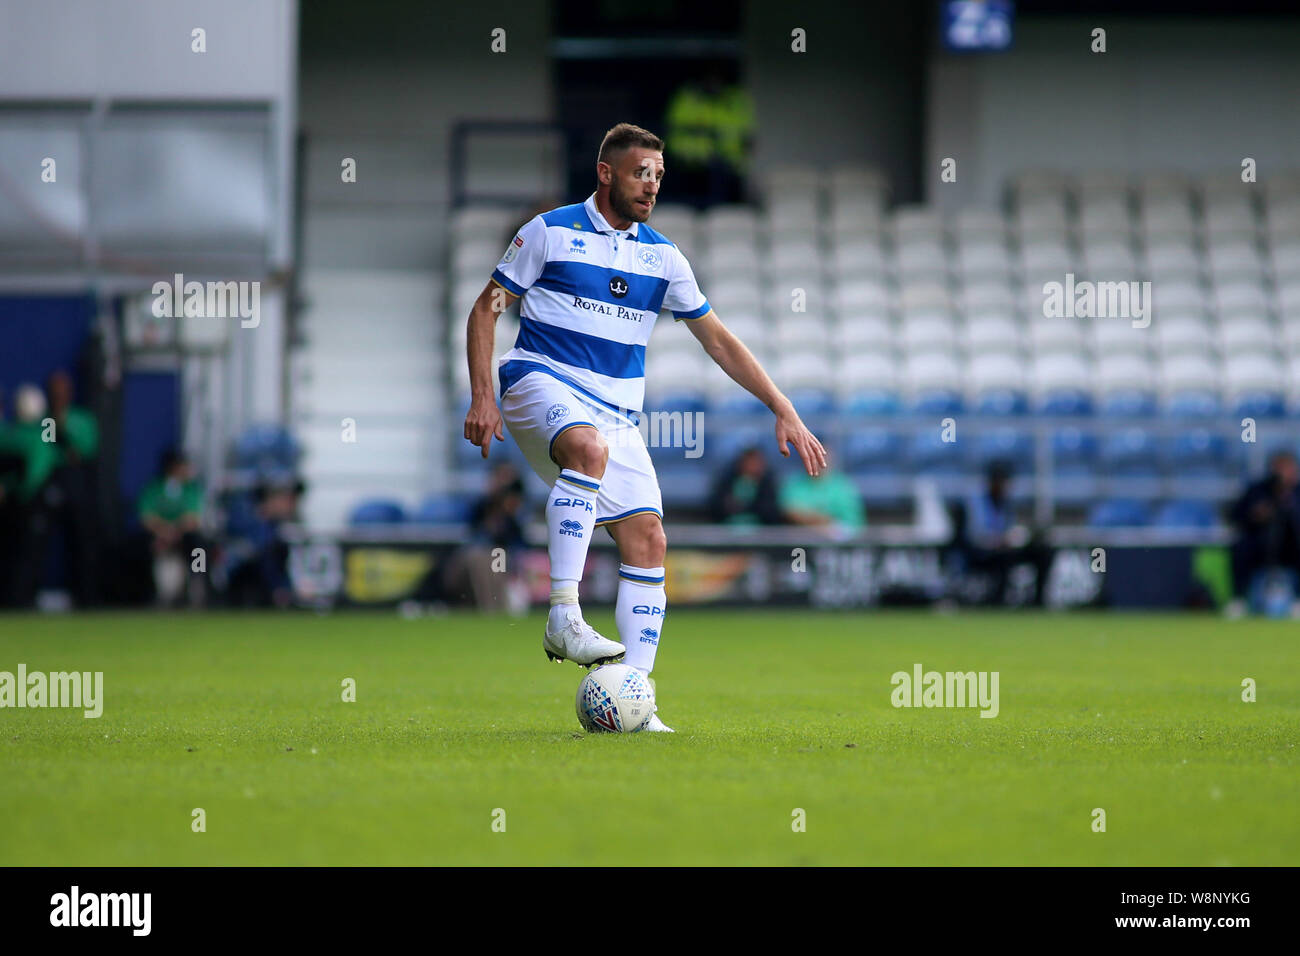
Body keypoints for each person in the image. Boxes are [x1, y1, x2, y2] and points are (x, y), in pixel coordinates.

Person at [463, 122, 826, 732]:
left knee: (649, 541)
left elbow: (719, 342)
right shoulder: (548, 232)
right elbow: (485, 309)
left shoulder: (664, 257)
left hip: (618, 414)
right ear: (607, 173)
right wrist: (482, 395)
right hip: (538, 381)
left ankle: (635, 697)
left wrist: (781, 407)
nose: (651, 185)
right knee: (586, 448)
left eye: (658, 175)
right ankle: (562, 613)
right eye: (640, 173)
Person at [959, 460, 1053, 606]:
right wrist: (1001, 540)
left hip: (1003, 548)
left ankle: (1038, 601)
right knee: (1004, 558)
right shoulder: (976, 502)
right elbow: (976, 536)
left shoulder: (1006, 502)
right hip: (981, 552)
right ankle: (998, 600)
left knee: (1042, 552)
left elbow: (1009, 528)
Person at [1227, 449, 1300, 616]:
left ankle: (1297, 600)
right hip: (1260, 543)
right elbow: (1236, 516)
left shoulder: (1297, 492)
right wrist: (1256, 514)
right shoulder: (1258, 490)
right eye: (1280, 468)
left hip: (1290, 545)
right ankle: (1239, 599)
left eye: (1289, 468)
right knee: (1240, 547)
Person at [137, 450, 205, 606]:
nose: (188, 469)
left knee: (198, 547)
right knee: (140, 545)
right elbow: (146, 517)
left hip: (183, 535)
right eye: (184, 465)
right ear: (173, 467)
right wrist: (163, 533)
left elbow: (193, 519)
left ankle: (197, 582)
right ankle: (150, 591)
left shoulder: (191, 489)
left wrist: (174, 533)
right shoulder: (154, 488)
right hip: (158, 535)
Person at [779, 449, 864, 536]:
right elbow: (791, 511)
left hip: (837, 540)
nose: (818, 461)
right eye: (814, 457)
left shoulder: (843, 485)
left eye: (822, 457)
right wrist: (820, 520)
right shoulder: (794, 482)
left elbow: (852, 522)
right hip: (800, 539)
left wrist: (815, 519)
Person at [708, 446, 785, 526]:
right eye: (750, 462)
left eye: (756, 463)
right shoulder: (726, 483)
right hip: (728, 531)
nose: (753, 466)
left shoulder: (768, 486)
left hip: (761, 533)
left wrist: (744, 506)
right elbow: (715, 508)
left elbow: (771, 513)